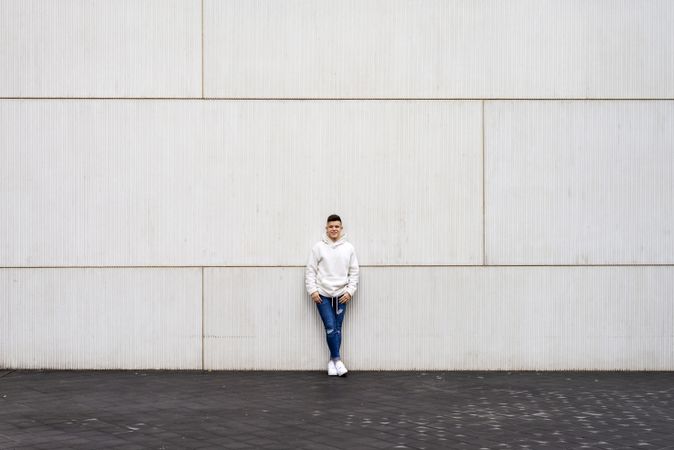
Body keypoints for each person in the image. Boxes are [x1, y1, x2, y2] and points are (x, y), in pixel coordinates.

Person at [305, 214, 359, 376]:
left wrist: (350, 291)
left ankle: (332, 361)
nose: (334, 229)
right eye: (331, 226)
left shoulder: (349, 248)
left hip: (341, 295)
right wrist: (313, 291)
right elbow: (310, 271)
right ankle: (337, 360)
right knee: (330, 327)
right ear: (326, 228)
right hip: (322, 295)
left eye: (337, 226)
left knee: (337, 328)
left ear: (341, 229)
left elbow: (354, 271)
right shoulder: (318, 247)